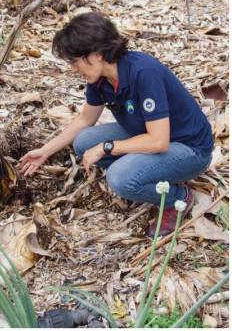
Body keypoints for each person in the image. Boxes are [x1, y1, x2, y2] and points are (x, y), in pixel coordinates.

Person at [18, 12, 214, 237]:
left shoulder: (143, 72)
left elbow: (159, 141)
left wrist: (106, 147)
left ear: (98, 54)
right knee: (83, 142)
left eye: (75, 61)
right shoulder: (99, 80)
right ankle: (144, 171)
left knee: (120, 178)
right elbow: (85, 120)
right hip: (146, 132)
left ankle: (177, 198)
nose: (73, 69)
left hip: (189, 148)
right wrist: (45, 152)